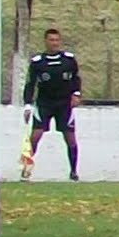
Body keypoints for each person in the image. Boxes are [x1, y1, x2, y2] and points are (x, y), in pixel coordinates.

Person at [22, 27, 81, 181]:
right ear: (45, 41)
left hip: (64, 104)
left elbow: (76, 78)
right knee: (35, 136)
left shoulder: (68, 60)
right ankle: (26, 170)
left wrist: (76, 94)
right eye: (51, 40)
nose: (54, 43)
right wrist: (28, 105)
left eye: (57, 40)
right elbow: (30, 84)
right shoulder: (38, 62)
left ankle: (73, 172)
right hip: (44, 104)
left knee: (70, 138)